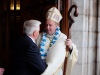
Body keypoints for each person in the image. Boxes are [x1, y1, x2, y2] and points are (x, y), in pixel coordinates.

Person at [36, 7, 78, 75]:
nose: (47, 27)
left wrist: (71, 47)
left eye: (50, 25)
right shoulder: (39, 36)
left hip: (56, 72)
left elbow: (73, 55)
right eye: (46, 25)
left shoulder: (63, 38)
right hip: (40, 71)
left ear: (56, 25)